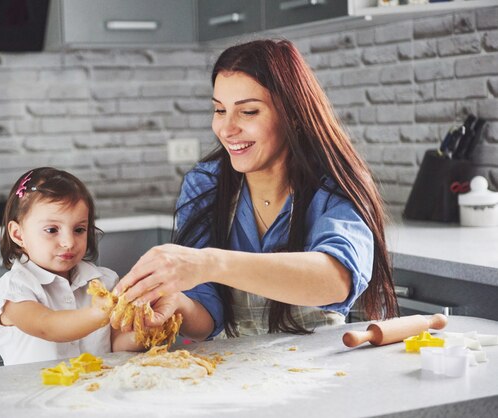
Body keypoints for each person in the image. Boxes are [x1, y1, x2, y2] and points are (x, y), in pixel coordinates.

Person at [113, 39, 399, 341]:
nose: (226, 128)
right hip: (234, 372)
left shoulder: (335, 184)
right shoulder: (204, 185)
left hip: (317, 368)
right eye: (219, 110)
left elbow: (335, 280)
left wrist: (210, 263)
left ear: (293, 114)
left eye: (248, 112)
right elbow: (207, 315)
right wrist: (176, 307)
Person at [0, 167, 141, 365]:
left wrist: (142, 332)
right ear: (18, 234)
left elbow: (118, 347)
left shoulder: (105, 281)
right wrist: (99, 313)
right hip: (34, 393)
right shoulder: (16, 286)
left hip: (95, 390)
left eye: (79, 229)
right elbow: (48, 326)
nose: (69, 242)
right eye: (52, 230)